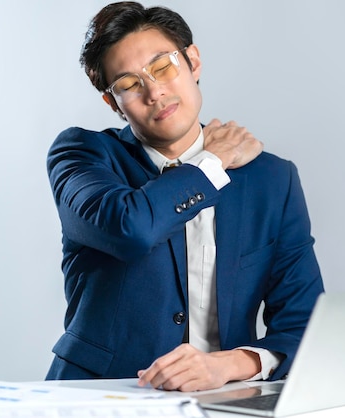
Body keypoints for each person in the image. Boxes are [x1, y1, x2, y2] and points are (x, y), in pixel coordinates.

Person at [45, 1, 324, 392]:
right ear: (113, 104)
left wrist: (230, 364)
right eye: (128, 84)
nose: (154, 91)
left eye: (163, 67)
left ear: (193, 61)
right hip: (99, 396)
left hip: (223, 398)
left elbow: (305, 325)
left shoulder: (272, 180)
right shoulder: (82, 156)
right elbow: (132, 228)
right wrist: (213, 162)